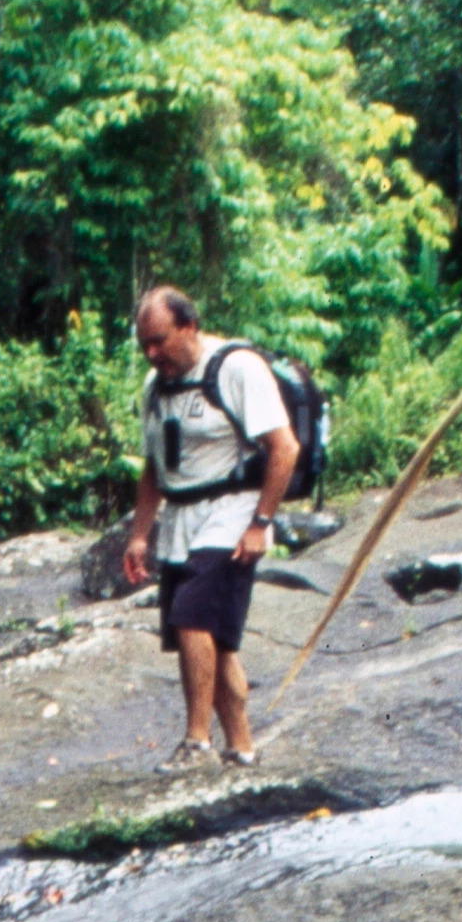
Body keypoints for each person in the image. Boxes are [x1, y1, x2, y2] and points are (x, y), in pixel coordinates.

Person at [119, 287, 299, 761]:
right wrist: (140, 534)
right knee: (212, 645)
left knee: (192, 620)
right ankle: (242, 750)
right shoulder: (154, 387)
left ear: (189, 327)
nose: (153, 354)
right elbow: (154, 466)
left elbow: (285, 448)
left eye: (160, 341)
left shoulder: (237, 368)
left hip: (233, 512)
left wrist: (261, 523)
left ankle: (196, 742)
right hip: (181, 519)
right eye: (145, 346)